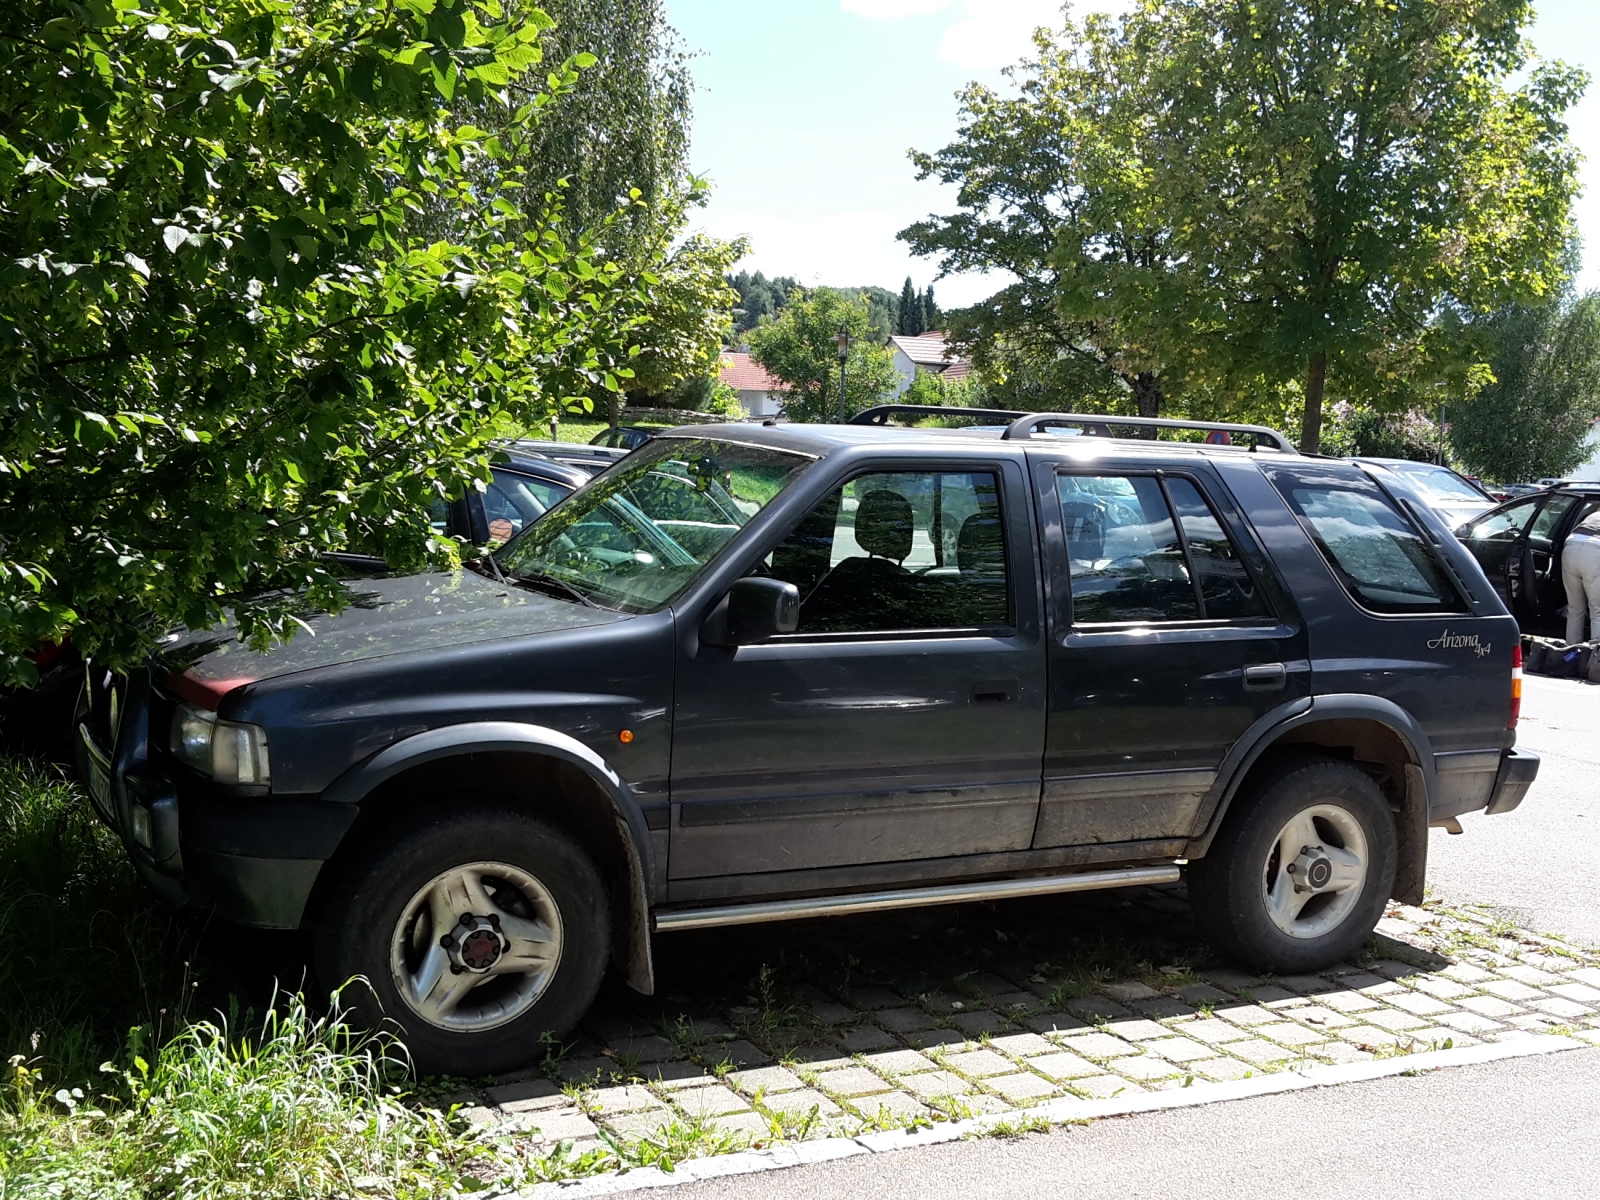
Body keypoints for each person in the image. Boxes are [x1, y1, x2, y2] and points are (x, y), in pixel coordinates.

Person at [1563, 504, 1600, 644]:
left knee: (1575, 608)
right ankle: (1596, 658)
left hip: (1570, 548)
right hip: (1595, 551)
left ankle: (1571, 653)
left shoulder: (1592, 515)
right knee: (1598, 611)